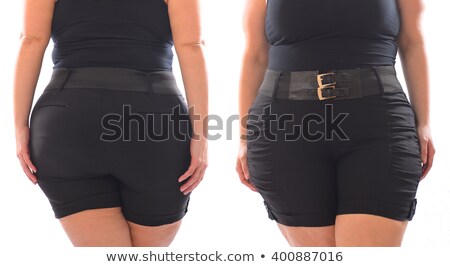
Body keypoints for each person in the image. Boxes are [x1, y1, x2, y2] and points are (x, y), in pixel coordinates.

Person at [236, 0, 435, 246]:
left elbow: (412, 42)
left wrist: (424, 123)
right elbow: (255, 56)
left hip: (379, 125)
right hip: (286, 130)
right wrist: (245, 137)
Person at [14, 0, 208, 247]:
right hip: (151, 123)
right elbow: (191, 46)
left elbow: (31, 40)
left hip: (67, 122)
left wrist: (20, 125)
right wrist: (201, 135)